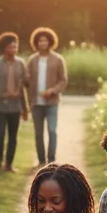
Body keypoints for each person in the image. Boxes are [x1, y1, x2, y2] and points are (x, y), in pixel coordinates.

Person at [26, 27, 68, 166]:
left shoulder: (58, 59)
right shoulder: (32, 60)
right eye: (40, 41)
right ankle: (41, 160)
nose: (42, 43)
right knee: (38, 133)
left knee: (52, 131)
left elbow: (63, 80)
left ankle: (51, 160)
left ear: (50, 42)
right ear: (36, 43)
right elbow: (27, 81)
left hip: (51, 103)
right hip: (36, 103)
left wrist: (52, 90)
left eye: (45, 40)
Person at [0, 32, 29, 171]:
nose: (14, 49)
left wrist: (25, 109)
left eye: (15, 46)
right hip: (0, 104)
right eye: (11, 46)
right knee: (0, 135)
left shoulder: (21, 63)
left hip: (15, 105)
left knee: (13, 136)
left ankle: (9, 164)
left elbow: (25, 85)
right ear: (4, 48)